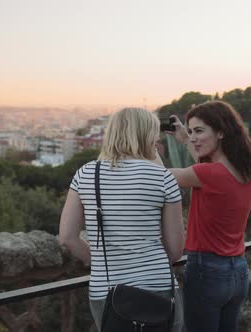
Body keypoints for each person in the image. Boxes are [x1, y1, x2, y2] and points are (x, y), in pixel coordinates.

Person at [59, 107, 185, 331]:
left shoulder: (86, 173)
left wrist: (97, 260)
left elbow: (68, 237)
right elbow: (175, 250)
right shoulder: (163, 177)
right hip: (157, 287)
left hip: (106, 290)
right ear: (147, 135)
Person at [165, 100, 251, 332]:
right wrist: (185, 140)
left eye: (199, 131)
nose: (193, 137)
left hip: (206, 272)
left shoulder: (208, 173)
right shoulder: (247, 171)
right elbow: (204, 170)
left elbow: (161, 175)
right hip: (237, 272)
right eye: (190, 132)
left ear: (221, 132)